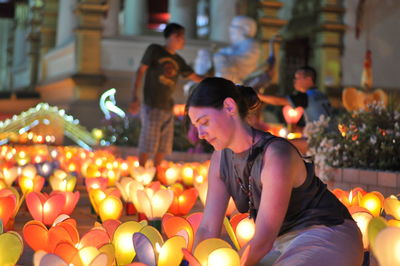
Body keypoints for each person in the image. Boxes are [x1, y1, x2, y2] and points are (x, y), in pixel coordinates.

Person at [186, 77, 363, 265]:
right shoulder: (220, 158)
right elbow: (207, 228)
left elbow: (263, 240)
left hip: (325, 233)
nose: (200, 134)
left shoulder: (276, 155)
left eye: (204, 122)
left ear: (229, 107)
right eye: (196, 126)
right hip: (280, 244)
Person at [129, 23, 202, 168]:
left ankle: (157, 172)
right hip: (152, 104)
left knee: (164, 144)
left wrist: (216, 81)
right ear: (175, 36)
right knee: (148, 142)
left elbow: (194, 76)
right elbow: (141, 70)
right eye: (182, 37)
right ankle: (142, 170)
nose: (184, 41)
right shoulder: (155, 50)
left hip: (168, 106)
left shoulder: (179, 61)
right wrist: (134, 96)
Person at [257, 66, 333, 124]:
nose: (294, 81)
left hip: (321, 139)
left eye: (297, 78)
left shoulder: (307, 96)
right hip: (329, 135)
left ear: (308, 79)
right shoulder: (320, 94)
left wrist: (258, 95)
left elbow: (278, 101)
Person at [212, 15, 260, 84]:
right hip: (233, 67)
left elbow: (247, 59)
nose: (230, 30)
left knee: (219, 57)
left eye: (234, 28)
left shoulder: (250, 43)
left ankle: (223, 84)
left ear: (246, 29)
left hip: (241, 74)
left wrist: (225, 54)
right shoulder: (237, 45)